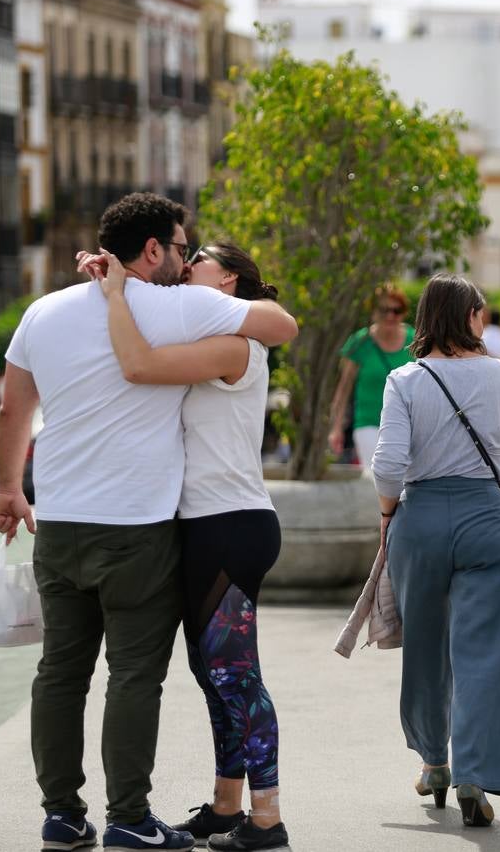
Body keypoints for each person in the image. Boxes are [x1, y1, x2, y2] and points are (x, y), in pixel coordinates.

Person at [0, 193, 298, 852]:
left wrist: (9, 488)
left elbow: (13, 411)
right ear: (154, 250)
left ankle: (63, 817)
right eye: (182, 250)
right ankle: (130, 818)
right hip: (140, 529)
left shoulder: (42, 310)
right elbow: (280, 324)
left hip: (63, 524)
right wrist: (125, 296)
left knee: (60, 673)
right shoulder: (183, 307)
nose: (187, 265)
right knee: (138, 676)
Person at [87, 242, 292, 851]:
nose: (186, 263)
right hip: (206, 524)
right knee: (212, 674)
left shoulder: (235, 347)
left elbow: (141, 364)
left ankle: (267, 820)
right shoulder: (214, 335)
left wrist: (120, 293)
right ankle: (228, 807)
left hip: (232, 523)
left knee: (236, 676)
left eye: (197, 256)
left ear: (226, 279)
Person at [372, 273, 500, 828]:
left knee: (425, 643)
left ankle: (433, 762)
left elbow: (390, 465)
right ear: (470, 316)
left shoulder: (405, 378)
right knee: (484, 651)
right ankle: (474, 774)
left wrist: (387, 514)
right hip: (485, 518)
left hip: (418, 519)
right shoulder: (498, 375)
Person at [327, 284, 415, 468]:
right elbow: (343, 388)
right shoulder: (360, 341)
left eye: (396, 310)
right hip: (369, 423)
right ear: (374, 312)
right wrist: (336, 428)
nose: (390, 316)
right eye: (384, 310)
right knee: (378, 476)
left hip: (409, 425)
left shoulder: (415, 340)